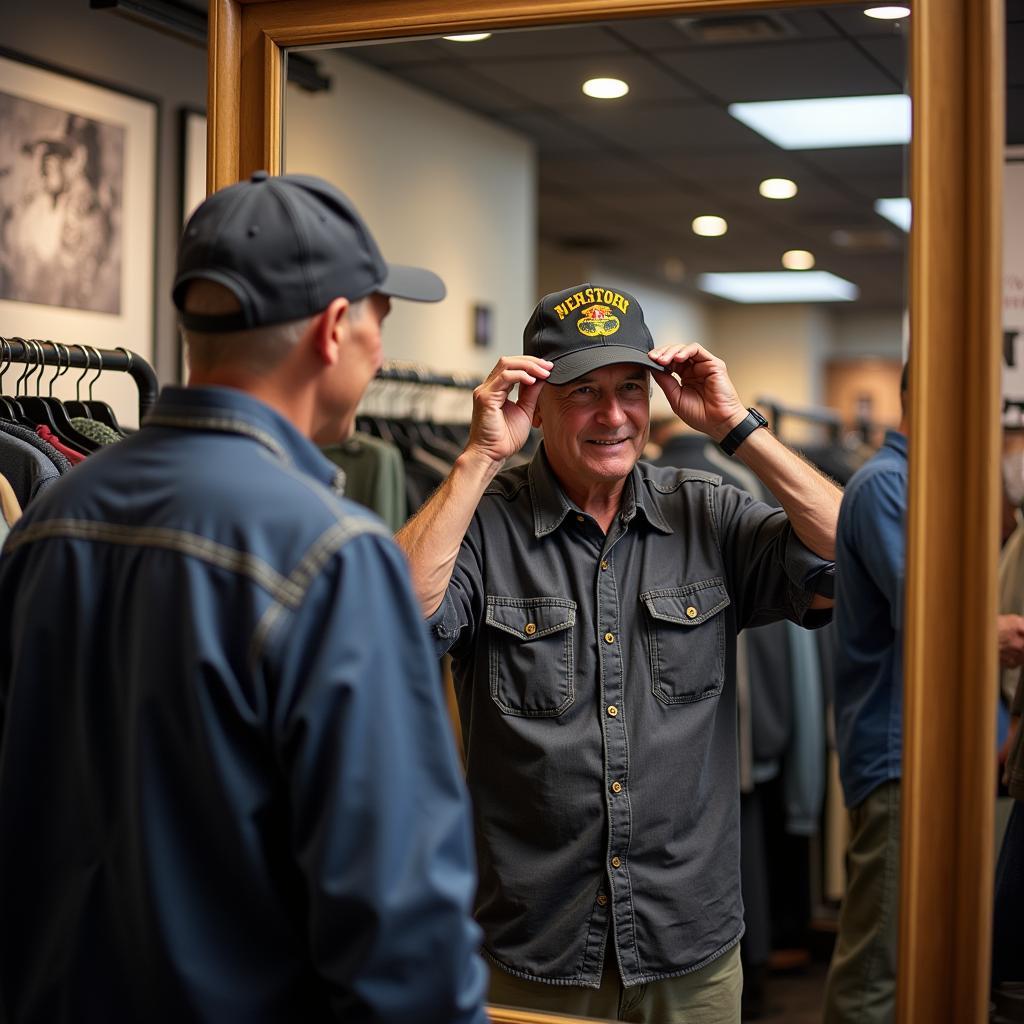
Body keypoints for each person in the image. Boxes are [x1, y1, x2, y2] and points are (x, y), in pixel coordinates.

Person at [0, 172, 487, 1024]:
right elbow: (400, 919)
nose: (381, 347)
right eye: (382, 318)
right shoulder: (330, 553)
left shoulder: (50, 517)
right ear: (336, 330)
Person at [396, 283, 841, 1023]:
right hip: (533, 951)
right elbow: (394, 624)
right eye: (584, 393)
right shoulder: (483, 526)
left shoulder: (710, 510)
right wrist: (477, 458)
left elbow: (850, 552)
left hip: (689, 951)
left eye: (631, 390)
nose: (613, 416)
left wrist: (739, 427)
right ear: (536, 401)